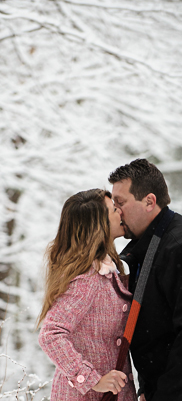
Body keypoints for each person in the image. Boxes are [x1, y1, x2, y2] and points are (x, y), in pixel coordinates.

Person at [38, 189, 136, 401]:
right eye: (113, 209)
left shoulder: (108, 269)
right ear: (99, 224)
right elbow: (51, 334)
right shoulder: (88, 277)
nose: (120, 212)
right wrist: (91, 379)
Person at [108, 158, 182, 401]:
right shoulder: (141, 250)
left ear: (149, 201)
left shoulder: (176, 246)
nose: (116, 212)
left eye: (120, 203)